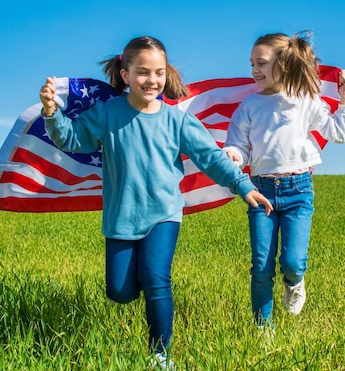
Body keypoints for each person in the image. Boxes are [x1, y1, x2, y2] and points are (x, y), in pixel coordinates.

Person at [39, 35, 273, 369]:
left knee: (157, 279)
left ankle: (159, 354)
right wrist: (52, 112)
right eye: (143, 72)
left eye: (159, 72)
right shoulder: (107, 113)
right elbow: (73, 139)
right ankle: (138, 293)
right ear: (125, 75)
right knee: (119, 292)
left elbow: (210, 157)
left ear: (166, 74)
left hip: (164, 214)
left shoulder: (176, 120)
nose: (152, 80)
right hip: (121, 217)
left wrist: (243, 185)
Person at [224, 31, 345, 330]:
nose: (255, 70)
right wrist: (234, 155)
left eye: (262, 63)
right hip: (261, 192)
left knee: (293, 263)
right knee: (261, 267)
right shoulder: (249, 106)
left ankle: (295, 282)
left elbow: (339, 134)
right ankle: (263, 330)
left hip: (298, 191)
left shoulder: (307, 101)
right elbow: (239, 146)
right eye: (252, 64)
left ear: (283, 64)